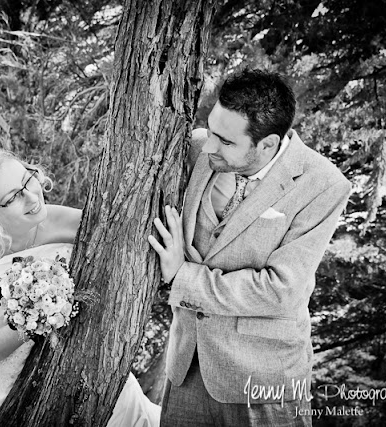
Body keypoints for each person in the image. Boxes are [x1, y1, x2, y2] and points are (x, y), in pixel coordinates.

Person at [148, 69, 351, 426]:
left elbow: (280, 289)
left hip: (262, 380)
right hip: (186, 366)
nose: (208, 145)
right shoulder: (199, 147)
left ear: (268, 144)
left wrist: (183, 275)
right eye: (210, 129)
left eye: (225, 141)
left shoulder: (324, 185)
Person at [0, 148, 161, 427]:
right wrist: (29, 321)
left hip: (99, 381)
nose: (32, 197)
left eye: (27, 180)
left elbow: (134, 261)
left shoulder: (73, 221)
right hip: (18, 396)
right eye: (12, 197)